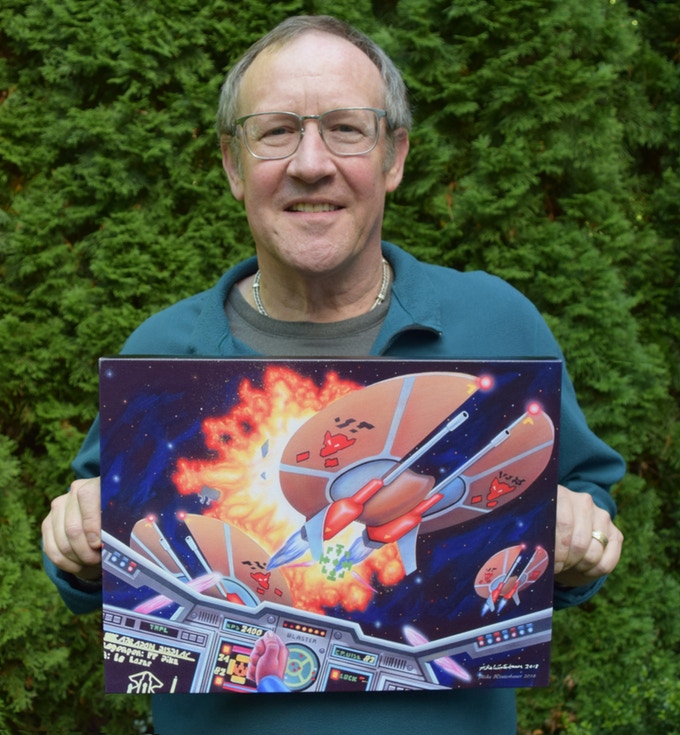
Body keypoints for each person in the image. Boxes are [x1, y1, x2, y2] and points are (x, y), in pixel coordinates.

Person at [42, 14, 625, 735]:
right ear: (233, 165)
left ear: (394, 156)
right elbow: (99, 549)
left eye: (347, 129)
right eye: (276, 131)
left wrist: (577, 540)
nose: (311, 163)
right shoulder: (162, 354)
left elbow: (582, 494)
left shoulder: (497, 326)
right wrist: (76, 545)